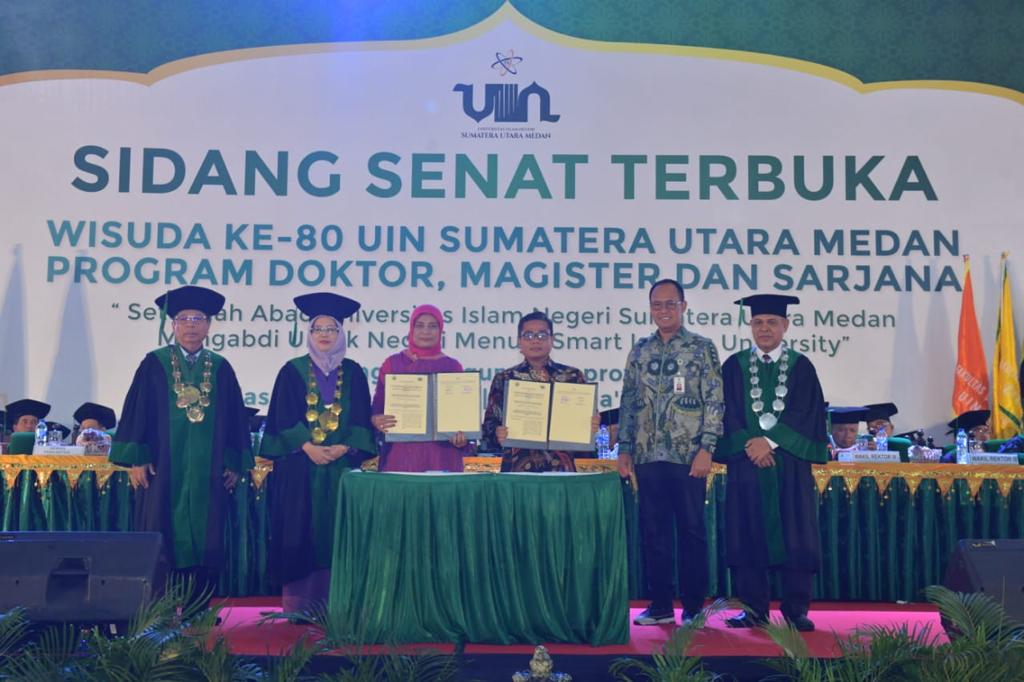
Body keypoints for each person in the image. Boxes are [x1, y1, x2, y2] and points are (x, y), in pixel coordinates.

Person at [109, 285, 254, 596]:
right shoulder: (154, 363)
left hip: (208, 471)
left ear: (209, 325)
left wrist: (233, 462)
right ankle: (158, 610)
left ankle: (197, 608)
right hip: (162, 469)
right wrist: (137, 457)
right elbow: (137, 412)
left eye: (199, 318)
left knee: (207, 534)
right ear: (173, 325)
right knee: (162, 530)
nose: (191, 325)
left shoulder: (221, 367)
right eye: (184, 319)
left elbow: (234, 419)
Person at [714, 294, 828, 632]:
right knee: (747, 532)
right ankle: (753, 609)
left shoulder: (801, 366)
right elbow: (726, 412)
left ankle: (795, 610)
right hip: (747, 465)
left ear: (785, 326)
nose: (765, 328)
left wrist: (770, 441)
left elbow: (806, 412)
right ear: (750, 325)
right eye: (758, 322)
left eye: (772, 322)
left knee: (796, 533)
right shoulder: (733, 366)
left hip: (788, 465)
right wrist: (751, 445)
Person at [617, 279, 724, 626]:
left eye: (670, 304)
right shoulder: (640, 350)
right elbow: (629, 401)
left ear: (684, 306)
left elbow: (714, 400)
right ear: (650, 308)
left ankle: (693, 607)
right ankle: (661, 605)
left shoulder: (701, 348)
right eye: (657, 305)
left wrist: (707, 447)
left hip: (688, 456)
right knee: (654, 531)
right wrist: (625, 448)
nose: (663, 310)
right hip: (648, 456)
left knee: (692, 531)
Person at [260, 292, 376, 612]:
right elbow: (282, 416)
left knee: (340, 533)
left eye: (332, 329)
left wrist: (344, 446)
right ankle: (301, 606)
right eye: (318, 329)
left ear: (342, 334)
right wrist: (307, 446)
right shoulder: (291, 370)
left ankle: (340, 605)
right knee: (300, 531)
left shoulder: (353, 372)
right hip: (301, 468)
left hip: (342, 469)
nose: (325, 335)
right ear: (308, 334)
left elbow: (361, 418)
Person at [481, 311, 598, 472]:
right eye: (528, 335)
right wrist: (497, 433)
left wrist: (592, 424)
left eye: (542, 335)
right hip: (519, 470)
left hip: (564, 469)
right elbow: (489, 427)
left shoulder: (572, 376)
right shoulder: (505, 379)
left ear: (552, 340)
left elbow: (590, 423)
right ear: (519, 342)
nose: (535, 340)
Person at [371, 304, 469, 471]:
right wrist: (376, 420)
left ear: (440, 331)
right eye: (420, 325)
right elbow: (377, 408)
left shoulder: (452, 366)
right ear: (411, 329)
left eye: (433, 326)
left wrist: (462, 436)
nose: (426, 331)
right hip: (401, 455)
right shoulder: (393, 364)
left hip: (442, 456)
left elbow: (460, 416)